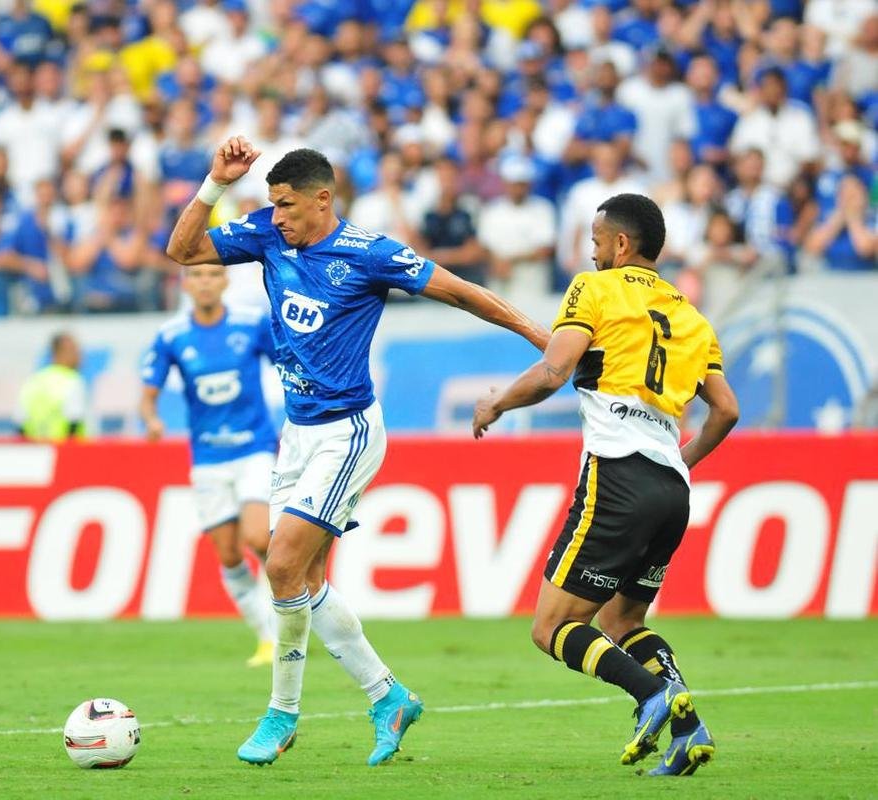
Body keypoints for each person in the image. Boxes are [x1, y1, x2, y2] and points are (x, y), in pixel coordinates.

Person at [166, 137, 550, 767]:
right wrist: (213, 183)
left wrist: (540, 336)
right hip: (297, 435)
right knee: (306, 580)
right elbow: (182, 251)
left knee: (282, 565)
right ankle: (388, 696)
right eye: (272, 204)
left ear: (323, 199)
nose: (277, 215)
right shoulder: (265, 234)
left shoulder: (369, 253)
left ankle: (282, 715)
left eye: (287, 204)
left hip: (348, 433)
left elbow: (461, 292)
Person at [472, 193, 740, 776]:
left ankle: (651, 695)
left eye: (595, 243)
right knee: (624, 623)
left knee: (552, 628)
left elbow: (553, 370)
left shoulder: (594, 290)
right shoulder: (694, 319)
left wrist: (499, 402)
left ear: (621, 244)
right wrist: (679, 460)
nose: (591, 254)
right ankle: (689, 732)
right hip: (672, 489)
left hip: (617, 475)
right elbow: (726, 411)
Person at [139, 263, 278, 668]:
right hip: (208, 458)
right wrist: (151, 419)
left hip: (254, 446)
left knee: (259, 538)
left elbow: (287, 366)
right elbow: (149, 394)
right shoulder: (171, 335)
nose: (204, 282)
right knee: (229, 554)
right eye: (196, 275)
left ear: (225, 281)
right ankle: (267, 637)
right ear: (185, 284)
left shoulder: (252, 323)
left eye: (212, 274)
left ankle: (295, 603)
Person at [14, 331, 88, 440]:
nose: (80, 356)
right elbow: (74, 423)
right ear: (60, 353)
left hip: (37, 452)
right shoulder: (72, 380)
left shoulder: (33, 380)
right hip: (65, 452)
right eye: (74, 351)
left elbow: (20, 423)